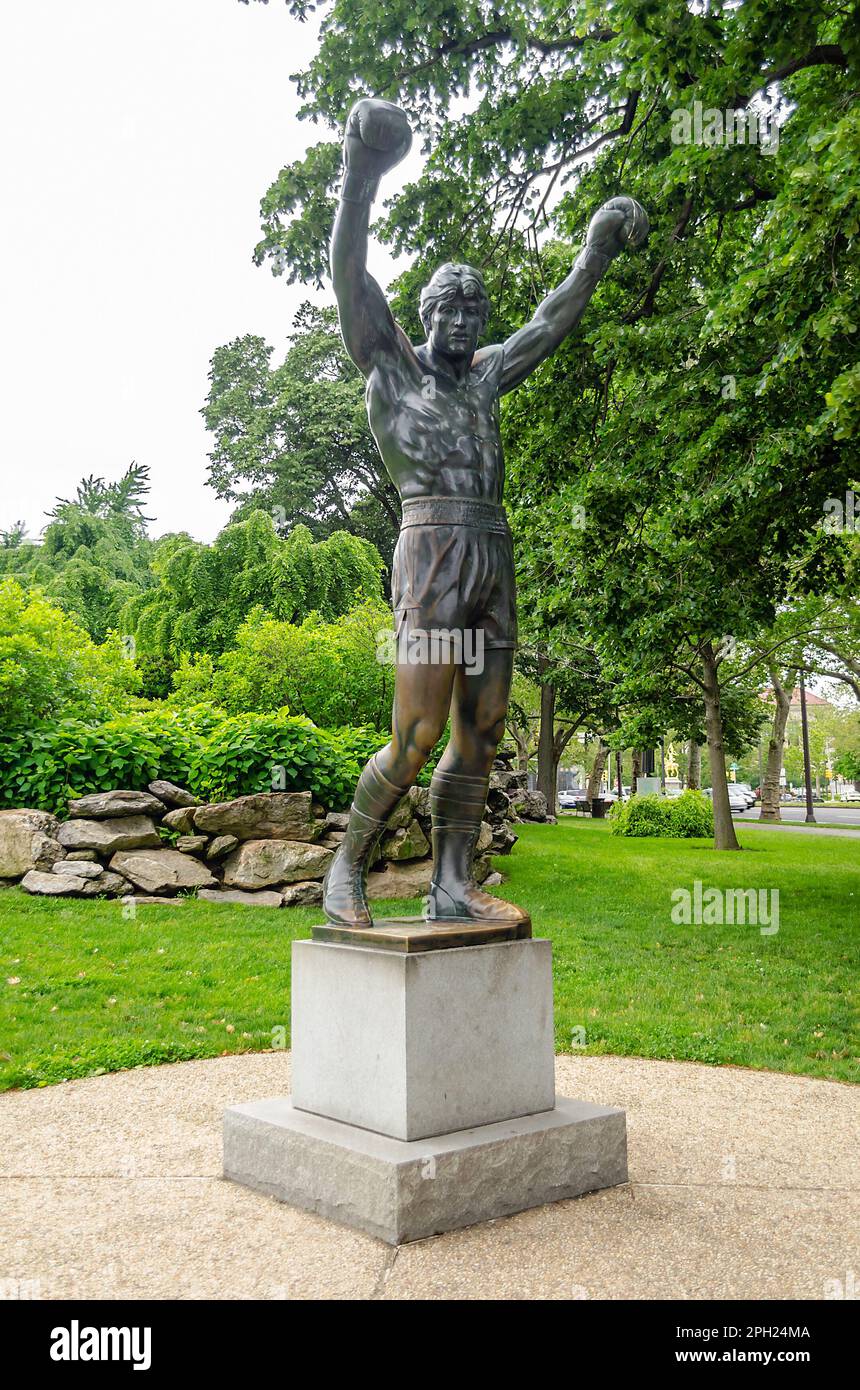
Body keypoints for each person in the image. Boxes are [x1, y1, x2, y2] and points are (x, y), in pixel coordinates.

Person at [324, 97, 648, 928]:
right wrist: (361, 174)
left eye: (475, 312)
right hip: (430, 546)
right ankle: (346, 870)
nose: (465, 323)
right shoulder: (389, 366)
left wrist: (594, 252)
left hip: (490, 549)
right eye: (451, 310)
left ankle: (451, 884)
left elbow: (552, 320)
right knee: (419, 731)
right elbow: (350, 273)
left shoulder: (486, 376)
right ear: (426, 313)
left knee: (486, 725)